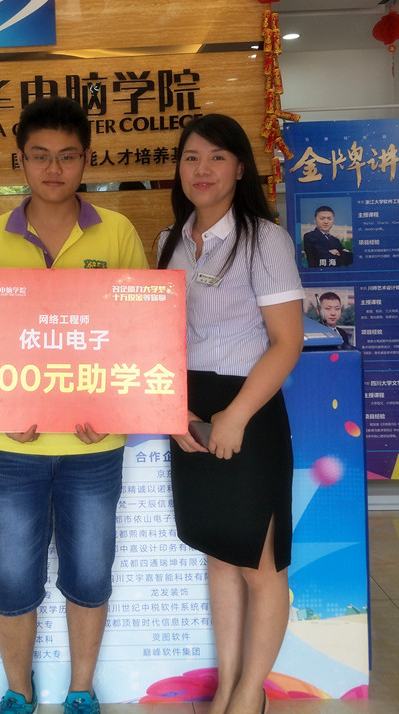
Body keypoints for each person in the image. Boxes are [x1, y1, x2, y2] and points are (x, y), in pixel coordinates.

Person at [0, 96, 148, 714]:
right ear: (20, 160)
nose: (53, 168)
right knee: (11, 577)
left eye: (67, 156)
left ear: (86, 161)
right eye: (40, 155)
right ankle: (18, 691)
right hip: (11, 443)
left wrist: (115, 412)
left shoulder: (116, 232)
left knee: (90, 572)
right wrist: (1, 410)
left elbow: (137, 334)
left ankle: (81, 688)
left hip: (95, 443)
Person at [157, 114, 304, 714]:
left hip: (251, 408)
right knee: (220, 553)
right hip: (190, 408)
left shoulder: (265, 240)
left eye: (217, 157)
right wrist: (173, 414)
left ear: (240, 168)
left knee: (260, 565)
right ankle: (225, 687)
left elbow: (287, 342)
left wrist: (236, 416)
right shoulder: (170, 241)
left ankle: (249, 693)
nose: (202, 169)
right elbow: (160, 342)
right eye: (191, 157)